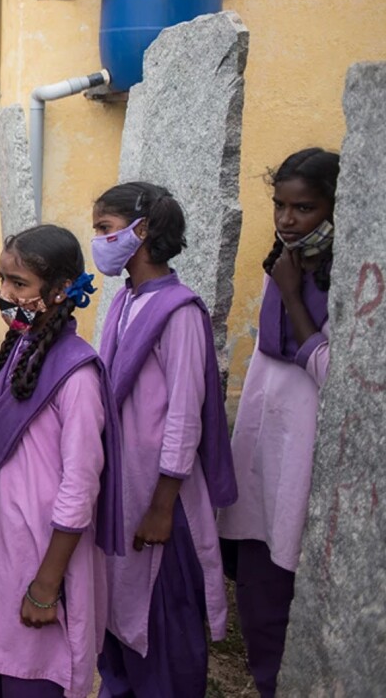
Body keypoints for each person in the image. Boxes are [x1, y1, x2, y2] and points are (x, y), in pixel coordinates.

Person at [90, 182, 238, 697]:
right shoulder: (124, 301)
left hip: (159, 500)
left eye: (105, 230)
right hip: (122, 490)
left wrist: (162, 503)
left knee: (162, 620)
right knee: (117, 617)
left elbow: (183, 415)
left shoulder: (180, 312)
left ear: (143, 230)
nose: (100, 242)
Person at [0, 224, 123, 698]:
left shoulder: (76, 376)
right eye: (2, 280)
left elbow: (80, 486)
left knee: (34, 674)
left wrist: (46, 584)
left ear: (58, 293)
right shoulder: (20, 350)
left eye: (18, 284)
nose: (4, 293)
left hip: (42, 559)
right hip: (3, 553)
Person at [217, 148, 339, 698]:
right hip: (265, 454)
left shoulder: (340, 279)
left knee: (297, 588)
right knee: (259, 597)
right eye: (280, 206)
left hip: (308, 459)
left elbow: (335, 374)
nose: (288, 220)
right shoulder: (282, 263)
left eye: (305, 208)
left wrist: (293, 296)